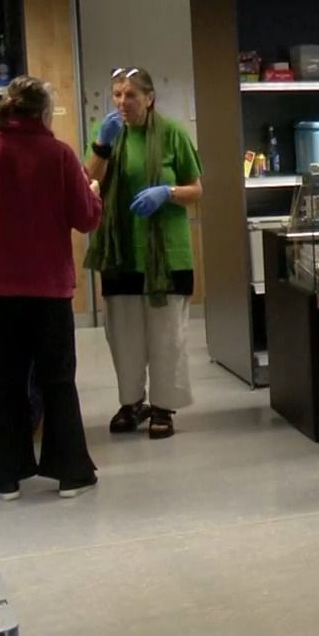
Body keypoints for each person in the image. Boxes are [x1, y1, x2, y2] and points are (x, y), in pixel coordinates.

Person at [0, 76, 103, 500]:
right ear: (43, 113)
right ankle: (71, 471)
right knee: (57, 381)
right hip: (49, 292)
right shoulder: (60, 155)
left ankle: (3, 477)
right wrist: (95, 193)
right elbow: (86, 218)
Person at [85, 67, 203, 440]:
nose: (122, 102)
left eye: (131, 95)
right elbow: (89, 182)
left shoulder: (172, 134)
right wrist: (102, 146)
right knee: (123, 335)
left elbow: (196, 188)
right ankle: (132, 402)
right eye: (117, 94)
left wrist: (166, 193)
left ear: (149, 98)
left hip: (166, 253)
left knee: (166, 336)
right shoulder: (107, 134)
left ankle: (164, 407)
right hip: (121, 252)